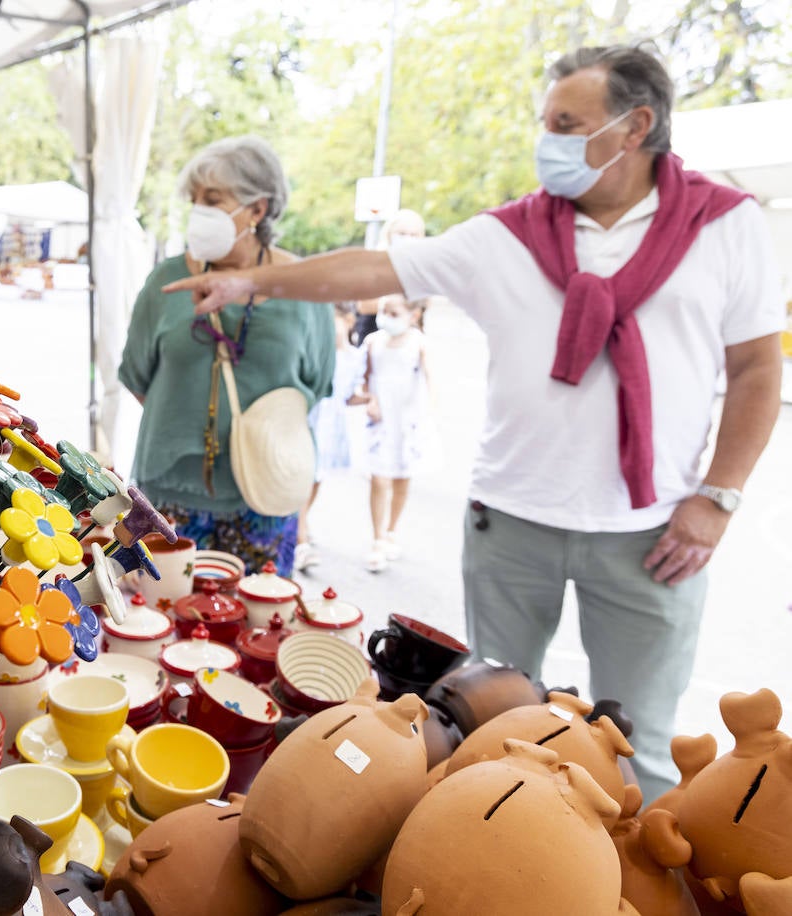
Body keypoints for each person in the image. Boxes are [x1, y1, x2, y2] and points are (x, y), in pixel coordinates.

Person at [162, 45, 784, 802]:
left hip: (654, 534)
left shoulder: (725, 226)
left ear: (635, 126)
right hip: (510, 523)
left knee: (639, 746)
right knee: (493, 730)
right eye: (544, 121)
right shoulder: (511, 235)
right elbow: (377, 269)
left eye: (567, 122)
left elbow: (757, 368)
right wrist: (252, 278)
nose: (546, 139)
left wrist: (718, 498)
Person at [119, 135, 336, 578]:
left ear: (257, 209)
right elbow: (137, 376)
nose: (199, 210)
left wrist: (256, 433)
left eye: (213, 200)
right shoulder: (167, 280)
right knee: (155, 621)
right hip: (168, 491)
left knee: (256, 625)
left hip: (265, 492)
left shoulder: (301, 287)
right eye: (194, 199)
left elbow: (316, 383)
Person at [359, 294, 433, 572]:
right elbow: (364, 380)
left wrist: (427, 418)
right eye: (383, 311)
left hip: (408, 420)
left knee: (402, 477)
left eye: (394, 312)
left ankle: (391, 531)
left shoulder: (419, 342)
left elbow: (430, 380)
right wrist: (371, 400)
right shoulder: (372, 342)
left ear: (413, 315)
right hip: (381, 420)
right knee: (379, 479)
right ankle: (377, 539)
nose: (386, 317)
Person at [295, 305, 367, 572]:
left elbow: (351, 395)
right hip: (311, 422)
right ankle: (300, 539)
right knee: (304, 479)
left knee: (317, 479)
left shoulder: (355, 357)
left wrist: (373, 401)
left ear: (349, 321)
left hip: (331, 427)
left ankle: (302, 524)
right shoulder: (316, 350)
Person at [351, 209, 425, 345]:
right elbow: (363, 305)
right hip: (373, 333)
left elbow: (422, 306)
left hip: (407, 341)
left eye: (414, 234)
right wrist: (395, 307)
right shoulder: (374, 263)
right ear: (389, 234)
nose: (408, 238)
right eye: (402, 233)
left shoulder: (421, 268)